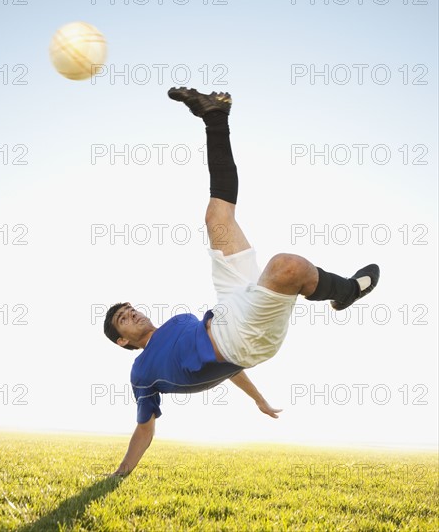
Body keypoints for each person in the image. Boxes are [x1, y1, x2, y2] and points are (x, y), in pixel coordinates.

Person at [103, 87, 380, 477]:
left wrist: (258, 399)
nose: (130, 313)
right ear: (123, 342)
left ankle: (216, 118)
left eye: (129, 308)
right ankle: (348, 292)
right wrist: (120, 473)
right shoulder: (143, 373)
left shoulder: (173, 327)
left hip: (228, 305)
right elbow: (145, 427)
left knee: (217, 217)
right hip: (243, 338)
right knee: (287, 266)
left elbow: (229, 373)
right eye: (122, 319)